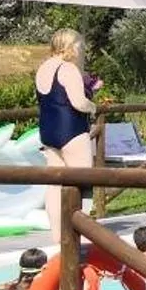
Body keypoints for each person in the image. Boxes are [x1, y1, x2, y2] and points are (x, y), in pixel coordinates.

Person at [35, 28, 98, 240]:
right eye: (80, 45)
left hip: (48, 132)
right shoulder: (68, 69)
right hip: (72, 130)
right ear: (70, 47)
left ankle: (57, 236)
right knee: (82, 182)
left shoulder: (43, 68)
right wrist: (93, 107)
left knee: (54, 187)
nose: (82, 50)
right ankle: (79, 232)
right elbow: (78, 102)